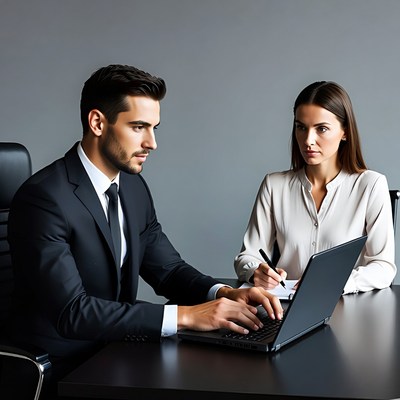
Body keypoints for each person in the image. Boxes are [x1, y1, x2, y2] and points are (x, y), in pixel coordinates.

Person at [7, 64, 283, 396]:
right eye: (138, 127)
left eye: (154, 127)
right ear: (97, 123)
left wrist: (223, 293)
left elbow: (168, 271)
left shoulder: (133, 188)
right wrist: (186, 316)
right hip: (62, 369)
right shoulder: (45, 198)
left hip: (117, 352)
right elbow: (73, 312)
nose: (151, 142)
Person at [234, 81, 396, 294]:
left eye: (322, 129)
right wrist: (257, 271)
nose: (308, 140)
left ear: (345, 132)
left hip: (346, 306)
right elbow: (247, 256)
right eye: (301, 127)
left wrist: (336, 283)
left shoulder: (371, 185)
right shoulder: (274, 186)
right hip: (282, 308)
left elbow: (383, 267)